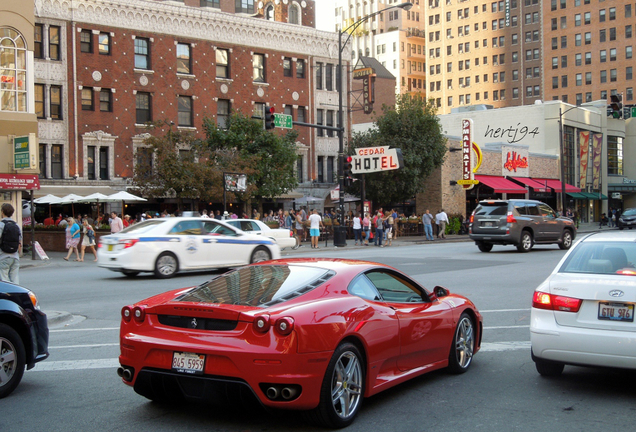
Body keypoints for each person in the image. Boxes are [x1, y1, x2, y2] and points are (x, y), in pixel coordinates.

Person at [0, 203, 22, 284]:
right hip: (15, 257)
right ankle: (16, 295)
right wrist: (18, 255)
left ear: (2, 212)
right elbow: (20, 242)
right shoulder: (16, 225)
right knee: (15, 281)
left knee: (5, 281)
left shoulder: (1, 225)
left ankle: (7, 296)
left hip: (3, 256)